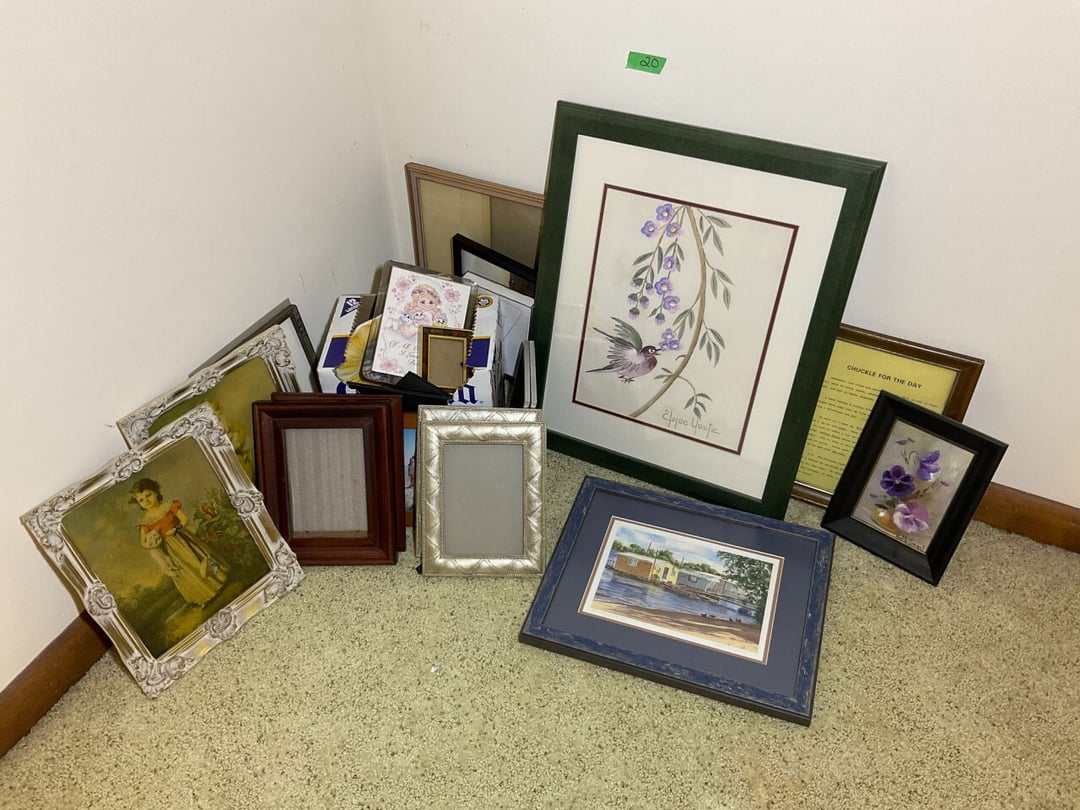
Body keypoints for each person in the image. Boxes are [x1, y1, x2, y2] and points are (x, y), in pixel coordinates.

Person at [130, 478, 229, 607]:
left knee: (198, 560)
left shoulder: (169, 507)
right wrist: (152, 543)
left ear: (156, 492)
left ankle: (218, 582)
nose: (146, 501)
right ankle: (204, 595)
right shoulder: (145, 522)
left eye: (148, 495)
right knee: (186, 570)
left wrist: (176, 529)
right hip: (170, 550)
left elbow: (184, 519)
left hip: (184, 539)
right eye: (141, 500)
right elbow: (143, 542)